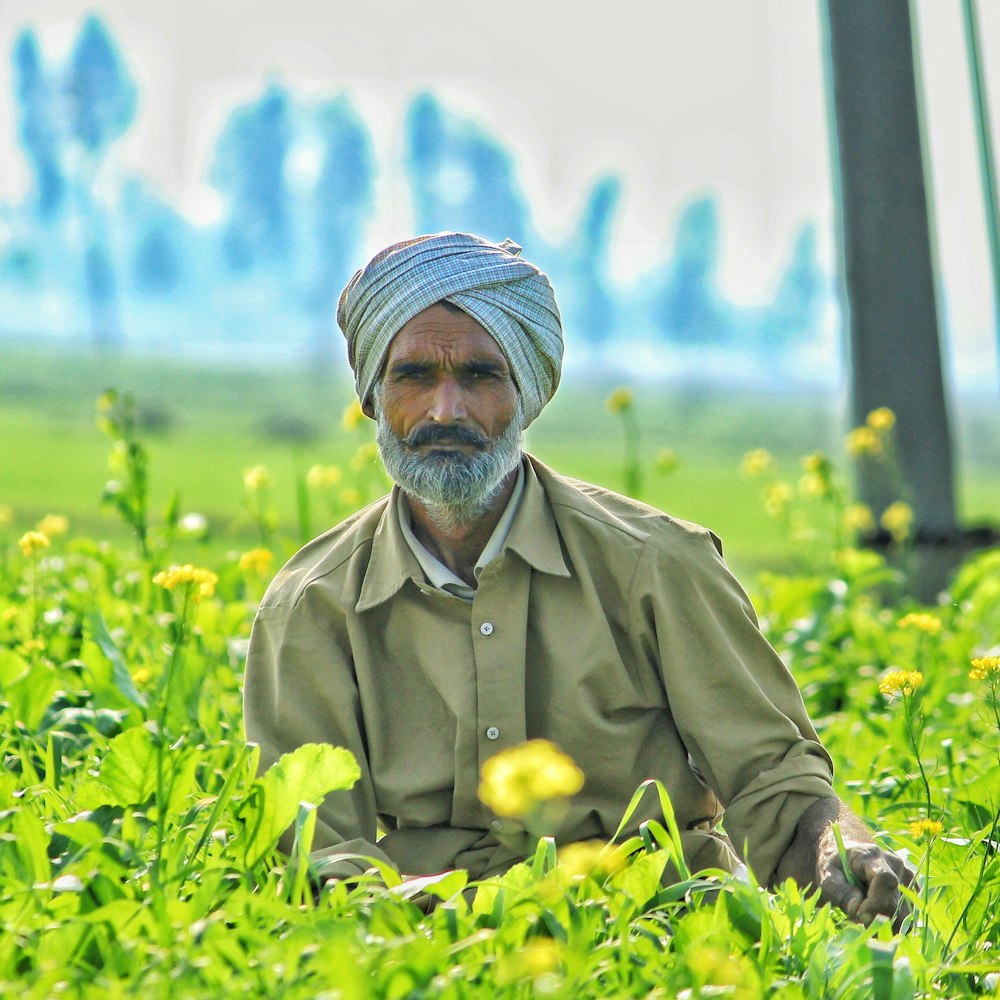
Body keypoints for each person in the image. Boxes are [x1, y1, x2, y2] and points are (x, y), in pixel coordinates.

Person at [243, 231, 912, 924]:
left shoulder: (659, 567)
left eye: (480, 375)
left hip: (659, 938)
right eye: (413, 376)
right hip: (425, 950)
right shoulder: (313, 607)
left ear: (527, 395)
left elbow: (780, 788)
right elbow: (321, 864)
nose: (447, 411)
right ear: (373, 399)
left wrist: (843, 854)